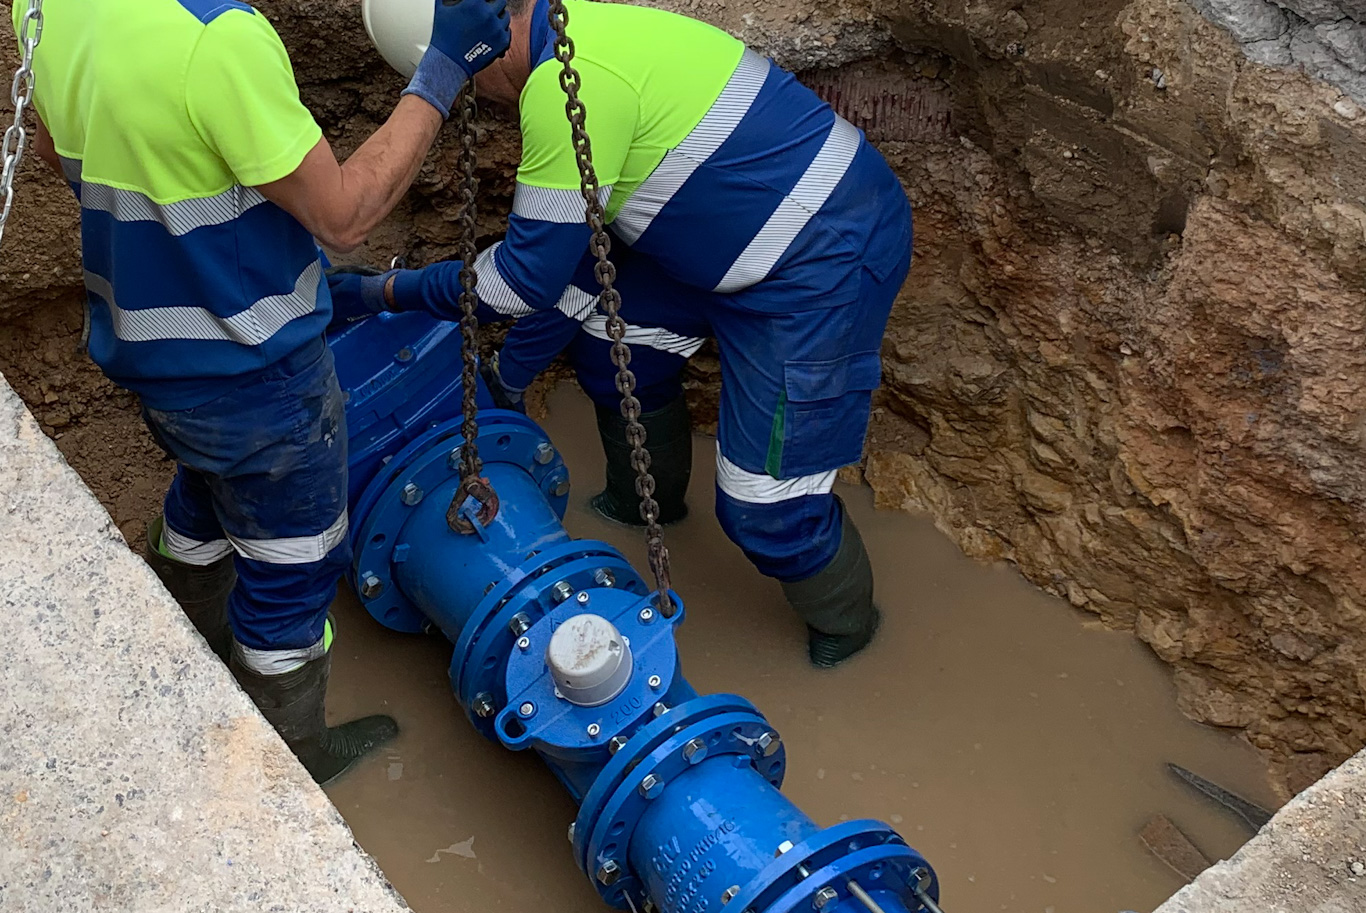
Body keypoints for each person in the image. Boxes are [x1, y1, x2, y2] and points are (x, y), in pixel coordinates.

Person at [16, 0, 511, 783]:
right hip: (260, 380)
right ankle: (292, 753)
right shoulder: (219, 39)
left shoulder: (51, 7)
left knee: (209, 484)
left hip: (151, 352)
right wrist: (444, 67)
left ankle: (183, 647)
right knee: (293, 570)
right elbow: (344, 215)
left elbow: (55, 150)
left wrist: (186, 248)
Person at [341, 0, 913, 667]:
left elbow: (519, 283)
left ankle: (848, 627)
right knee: (615, 360)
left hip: (822, 256)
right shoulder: (574, 38)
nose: (481, 103)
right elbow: (577, 266)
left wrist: (385, 290)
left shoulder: (568, 88)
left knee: (765, 508)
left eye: (465, 86)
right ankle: (649, 504)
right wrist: (511, 378)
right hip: (726, 241)